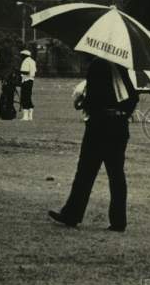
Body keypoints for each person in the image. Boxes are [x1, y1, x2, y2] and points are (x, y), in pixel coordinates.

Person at [49, 57, 139, 231]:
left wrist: (83, 103)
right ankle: (118, 221)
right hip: (119, 126)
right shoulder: (122, 67)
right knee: (116, 175)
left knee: (85, 172)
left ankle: (72, 213)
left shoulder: (97, 65)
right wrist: (122, 114)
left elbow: (93, 99)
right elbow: (133, 98)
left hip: (99, 126)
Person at [19, 49, 37, 121]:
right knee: (28, 97)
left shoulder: (25, 61)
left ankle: (25, 116)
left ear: (24, 55)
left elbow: (26, 72)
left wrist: (18, 71)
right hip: (31, 80)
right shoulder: (32, 61)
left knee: (24, 97)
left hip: (26, 80)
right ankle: (30, 116)